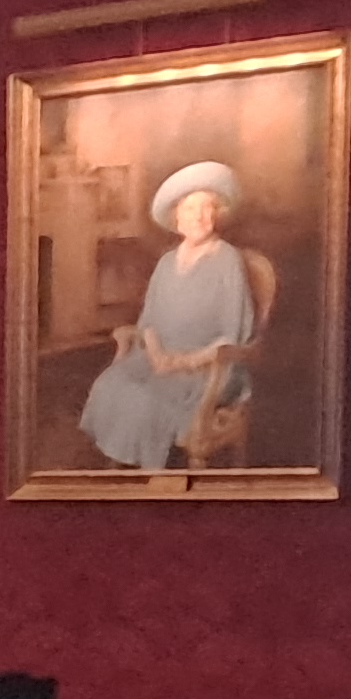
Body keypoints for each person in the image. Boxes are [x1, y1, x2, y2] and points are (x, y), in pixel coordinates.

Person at [79, 159, 266, 469]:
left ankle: (155, 480)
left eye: (208, 208)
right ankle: (120, 470)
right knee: (111, 383)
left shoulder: (227, 261)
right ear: (176, 216)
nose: (200, 217)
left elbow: (234, 335)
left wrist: (183, 362)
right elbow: (149, 321)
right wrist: (157, 356)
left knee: (147, 400)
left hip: (208, 367)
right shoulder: (166, 262)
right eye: (191, 209)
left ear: (217, 214)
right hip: (161, 358)